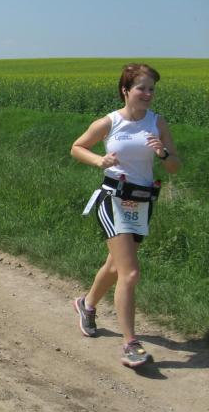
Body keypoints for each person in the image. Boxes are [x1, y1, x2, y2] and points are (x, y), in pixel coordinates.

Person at [70, 63, 180, 368]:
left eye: (151, 89)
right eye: (141, 88)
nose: (147, 94)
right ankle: (131, 344)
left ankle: (86, 304)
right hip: (114, 199)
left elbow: (174, 166)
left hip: (142, 203)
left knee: (115, 266)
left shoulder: (157, 122)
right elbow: (77, 147)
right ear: (125, 90)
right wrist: (99, 160)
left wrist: (163, 153)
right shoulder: (110, 122)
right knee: (130, 273)